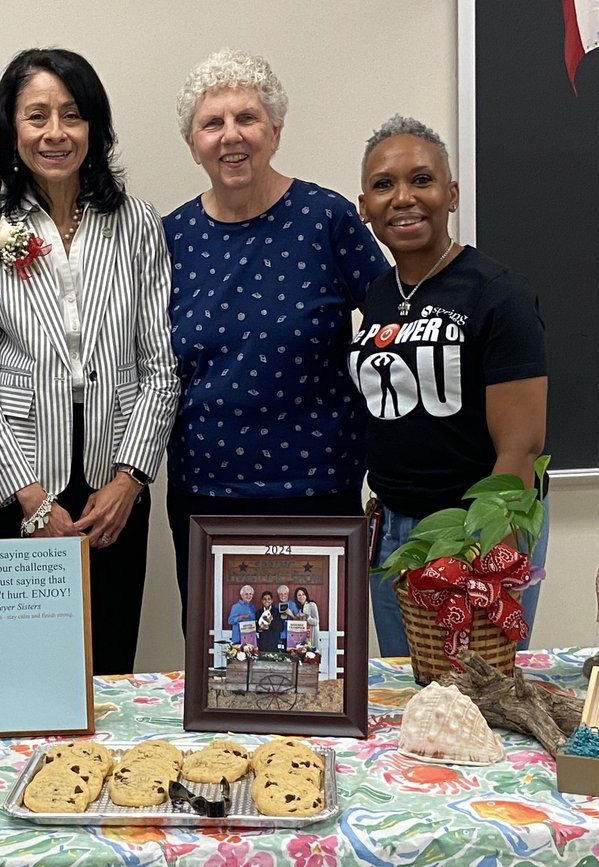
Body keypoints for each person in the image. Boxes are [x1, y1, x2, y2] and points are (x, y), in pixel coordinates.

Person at [0, 48, 179, 676]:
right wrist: (33, 501)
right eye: (37, 116)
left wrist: (131, 480)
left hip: (115, 473)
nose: (55, 133)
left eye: (71, 115)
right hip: (19, 475)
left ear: (94, 128)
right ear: (10, 130)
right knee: (24, 672)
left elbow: (160, 365)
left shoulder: (136, 223)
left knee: (108, 662)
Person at [165, 49, 389, 631]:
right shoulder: (168, 239)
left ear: (276, 131)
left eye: (247, 118)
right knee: (227, 660)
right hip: (205, 494)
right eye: (212, 124)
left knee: (320, 663)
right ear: (193, 144)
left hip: (319, 489)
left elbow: (396, 326)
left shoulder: (327, 219)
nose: (230, 136)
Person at [352, 115, 548, 657]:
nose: (403, 198)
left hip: (478, 526)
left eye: (422, 180)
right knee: (409, 696)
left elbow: (522, 445)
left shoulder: (499, 293)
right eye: (384, 185)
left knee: (480, 699)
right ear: (365, 206)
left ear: (452, 194)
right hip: (393, 532)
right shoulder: (375, 296)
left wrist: (485, 551)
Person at [295, 586, 319, 651]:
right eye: (299, 595)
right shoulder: (298, 608)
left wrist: (306, 616)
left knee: (312, 656)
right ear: (296, 598)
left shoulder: (312, 605)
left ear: (306, 595)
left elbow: (316, 621)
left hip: (311, 635)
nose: (301, 596)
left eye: (303, 594)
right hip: (302, 638)